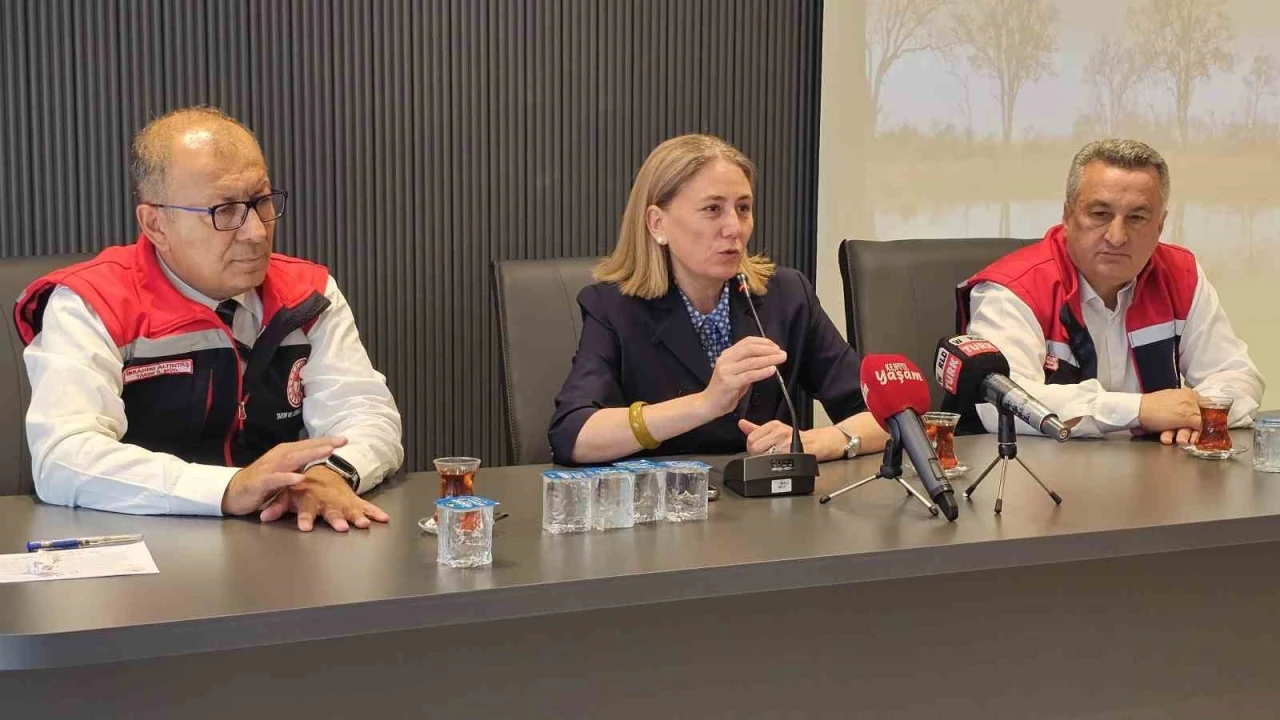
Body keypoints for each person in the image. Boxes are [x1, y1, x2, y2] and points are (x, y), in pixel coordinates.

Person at [15, 106, 404, 532]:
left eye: (261, 202)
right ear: (156, 224)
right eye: (225, 210)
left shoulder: (307, 294)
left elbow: (365, 413)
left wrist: (332, 473)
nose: (256, 232)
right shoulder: (92, 302)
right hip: (138, 543)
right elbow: (64, 458)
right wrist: (228, 488)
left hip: (278, 540)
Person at [549, 134, 888, 465]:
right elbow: (573, 435)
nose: (734, 228)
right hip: (666, 499)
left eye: (743, 208)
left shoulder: (787, 295)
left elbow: (886, 415)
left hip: (766, 498)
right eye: (712, 209)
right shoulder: (613, 307)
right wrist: (704, 404)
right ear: (657, 224)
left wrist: (820, 441)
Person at [956, 138, 1264, 444]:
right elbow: (1003, 403)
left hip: (1157, 469)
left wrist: (1199, 418)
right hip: (1042, 471)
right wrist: (1140, 410)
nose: (1117, 237)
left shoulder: (1180, 275)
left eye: (1137, 218)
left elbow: (1237, 376)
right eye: (1100, 214)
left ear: (1159, 225)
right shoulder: (1013, 289)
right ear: (1067, 216)